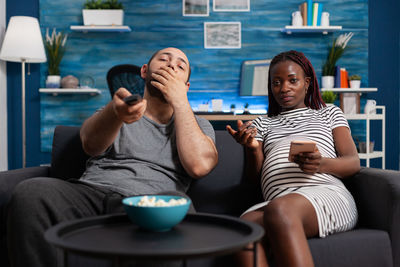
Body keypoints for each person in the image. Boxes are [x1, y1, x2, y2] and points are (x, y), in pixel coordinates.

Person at [7, 47, 218, 267]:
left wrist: (180, 101)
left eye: (180, 66)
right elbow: (90, 144)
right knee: (31, 190)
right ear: (145, 71)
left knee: (177, 206)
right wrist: (115, 114)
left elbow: (199, 166)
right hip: (92, 193)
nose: (171, 65)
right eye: (164, 59)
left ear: (186, 86)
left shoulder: (198, 126)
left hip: (151, 204)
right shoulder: (117, 111)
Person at [227, 50, 360, 267]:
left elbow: (353, 163)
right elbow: (254, 177)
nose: (284, 88)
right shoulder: (262, 124)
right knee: (243, 228)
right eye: (276, 82)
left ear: (307, 83)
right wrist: (252, 149)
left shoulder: (329, 113)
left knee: (281, 210)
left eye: (292, 80)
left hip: (324, 194)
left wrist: (321, 164)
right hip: (276, 201)